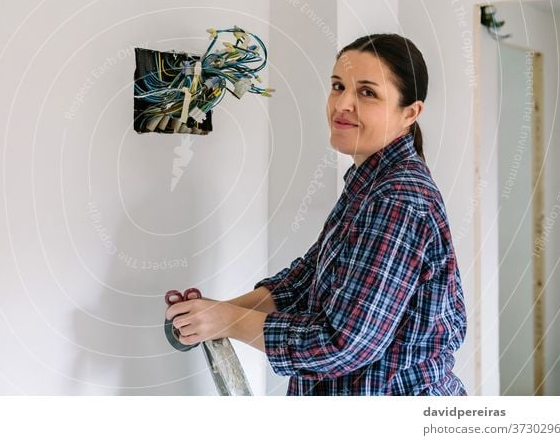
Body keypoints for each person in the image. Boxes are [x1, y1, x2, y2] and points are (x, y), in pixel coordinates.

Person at [165, 33, 467, 395]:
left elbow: (342, 345)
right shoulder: (369, 183)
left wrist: (228, 321)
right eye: (338, 86)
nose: (343, 104)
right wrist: (214, 312)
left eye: (367, 92)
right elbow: (305, 282)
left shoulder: (398, 198)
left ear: (410, 113)